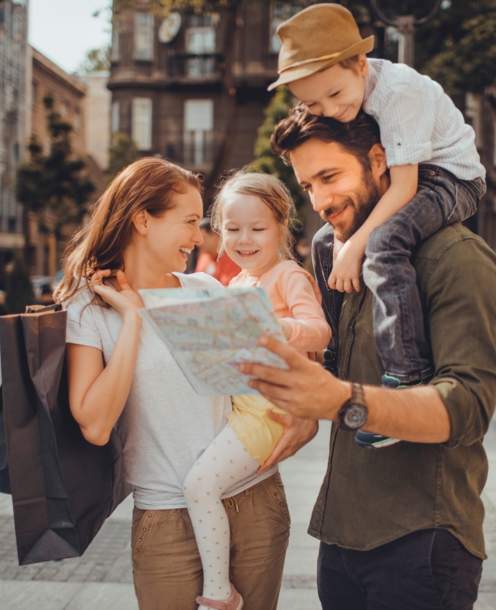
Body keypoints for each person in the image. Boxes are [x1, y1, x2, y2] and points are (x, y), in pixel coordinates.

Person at [238, 109, 496, 609]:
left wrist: (344, 401)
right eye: (308, 184)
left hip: (423, 542)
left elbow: (469, 408)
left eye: (330, 177)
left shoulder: (456, 258)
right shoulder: (330, 253)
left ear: (380, 161)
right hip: (339, 535)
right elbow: (339, 368)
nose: (319, 200)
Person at [55, 158, 317, 610]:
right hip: (166, 517)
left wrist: (305, 416)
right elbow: (95, 426)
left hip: (255, 501)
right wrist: (134, 319)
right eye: (190, 222)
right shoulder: (89, 308)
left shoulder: (207, 289)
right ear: (142, 220)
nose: (201, 237)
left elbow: (268, 374)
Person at [269, 5, 487, 449]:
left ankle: (406, 375)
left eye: (333, 95)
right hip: (416, 176)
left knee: (385, 243)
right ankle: (334, 360)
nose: (332, 112)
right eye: (313, 104)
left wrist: (356, 249)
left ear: (361, 64)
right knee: (324, 241)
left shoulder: (398, 92)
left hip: (450, 177)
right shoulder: (337, 95)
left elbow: (405, 184)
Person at [183, 170, 331, 610]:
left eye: (257, 228)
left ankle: (219, 591)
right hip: (241, 400)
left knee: (199, 485)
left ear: (281, 227)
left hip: (268, 410)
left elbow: (320, 332)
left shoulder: (288, 275)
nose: (244, 239)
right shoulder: (237, 284)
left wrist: (277, 325)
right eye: (232, 229)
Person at [195, 217, 241, 286]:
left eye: (203, 238)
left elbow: (227, 286)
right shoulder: (203, 257)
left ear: (215, 236)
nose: (198, 243)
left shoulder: (231, 257)